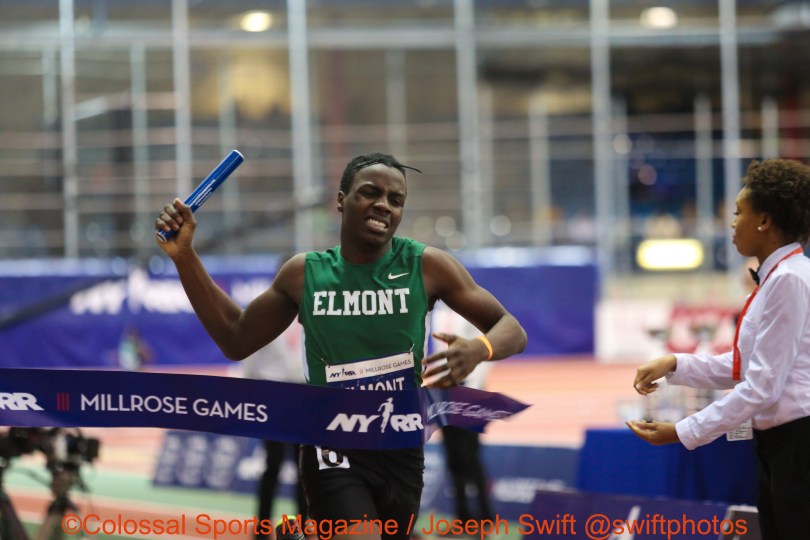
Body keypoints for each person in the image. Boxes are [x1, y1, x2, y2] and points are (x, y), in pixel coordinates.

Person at [154, 152, 527, 540]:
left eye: (395, 199)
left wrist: (479, 349)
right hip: (332, 445)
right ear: (341, 200)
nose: (383, 204)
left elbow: (511, 329)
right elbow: (235, 337)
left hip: (401, 448)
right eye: (370, 192)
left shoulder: (427, 266)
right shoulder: (305, 274)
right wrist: (185, 257)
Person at [627, 158, 810, 540]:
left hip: (797, 444)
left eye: (739, 212)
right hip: (780, 444)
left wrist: (684, 431)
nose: (732, 222)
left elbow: (761, 386)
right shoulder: (778, 278)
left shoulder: (789, 280)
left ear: (764, 221)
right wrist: (675, 364)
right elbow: (745, 366)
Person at [239, 326, 309, 539]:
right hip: (273, 394)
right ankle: (262, 527)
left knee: (304, 467)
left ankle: (304, 526)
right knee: (273, 463)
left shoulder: (308, 317)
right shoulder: (271, 314)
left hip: (302, 393)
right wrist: (249, 390)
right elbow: (250, 352)